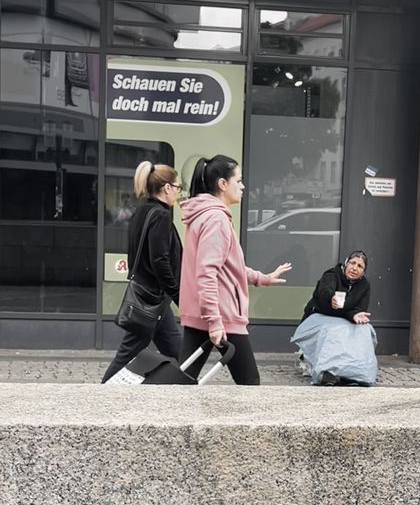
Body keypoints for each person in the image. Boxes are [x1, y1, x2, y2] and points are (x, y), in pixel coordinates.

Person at [179, 154, 291, 385]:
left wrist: (263, 278)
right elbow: (207, 272)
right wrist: (215, 321)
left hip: (203, 313)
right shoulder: (216, 220)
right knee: (249, 382)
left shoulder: (203, 216)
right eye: (238, 181)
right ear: (223, 184)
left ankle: (164, 419)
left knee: (181, 383)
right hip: (222, 314)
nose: (242, 186)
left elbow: (229, 268)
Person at [101, 161, 183, 383]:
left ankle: (181, 392)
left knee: (178, 352)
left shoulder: (142, 212)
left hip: (154, 299)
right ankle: (99, 394)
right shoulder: (161, 216)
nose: (178, 192)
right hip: (150, 299)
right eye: (178, 187)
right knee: (127, 354)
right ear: (167, 188)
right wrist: (179, 296)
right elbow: (159, 261)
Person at [291, 251, 377, 386]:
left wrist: (356, 315)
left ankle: (357, 372)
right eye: (352, 263)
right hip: (321, 315)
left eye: (360, 266)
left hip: (344, 320)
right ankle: (326, 372)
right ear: (346, 263)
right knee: (333, 331)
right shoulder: (332, 275)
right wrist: (332, 299)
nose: (355, 268)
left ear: (363, 272)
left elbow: (360, 309)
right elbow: (324, 294)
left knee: (364, 330)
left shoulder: (364, 285)